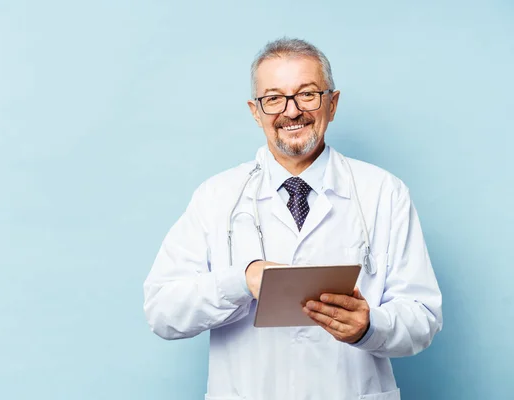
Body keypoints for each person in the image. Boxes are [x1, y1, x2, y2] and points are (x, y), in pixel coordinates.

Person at [143, 37, 442, 400]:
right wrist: (241, 281)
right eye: (273, 98)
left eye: (307, 94)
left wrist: (370, 326)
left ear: (332, 104)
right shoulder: (216, 197)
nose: (291, 111)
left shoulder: (384, 193)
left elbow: (424, 318)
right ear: (256, 112)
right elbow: (161, 311)